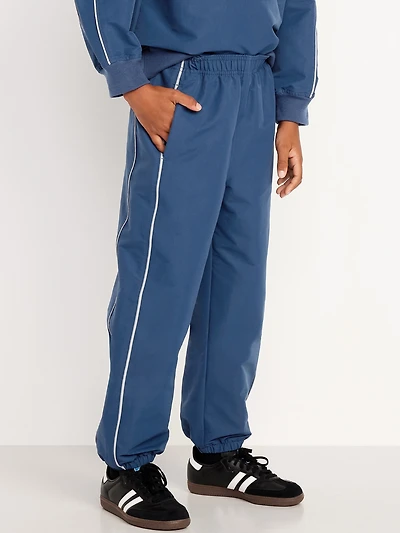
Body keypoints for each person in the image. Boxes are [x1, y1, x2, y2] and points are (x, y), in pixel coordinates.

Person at [74, 0, 318, 530]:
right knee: (161, 276)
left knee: (237, 280)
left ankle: (217, 450)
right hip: (184, 82)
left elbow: (299, 6)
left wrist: (289, 108)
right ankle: (126, 461)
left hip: (256, 88)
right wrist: (132, 84)